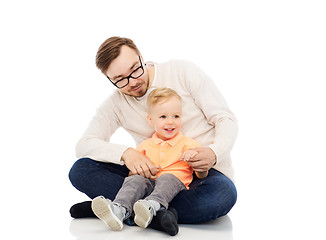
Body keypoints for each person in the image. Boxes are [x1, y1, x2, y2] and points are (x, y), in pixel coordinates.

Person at [69, 36, 238, 235]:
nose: (133, 82)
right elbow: (85, 144)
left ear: (141, 57)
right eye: (120, 79)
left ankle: (122, 208)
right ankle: (155, 213)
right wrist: (127, 154)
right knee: (81, 170)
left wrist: (213, 153)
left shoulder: (182, 71)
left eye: (135, 69)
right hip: (151, 176)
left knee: (222, 195)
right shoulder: (115, 104)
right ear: (109, 79)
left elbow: (225, 118)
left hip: (200, 175)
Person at [91, 88, 208, 235]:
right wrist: (137, 172)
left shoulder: (189, 144)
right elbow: (132, 172)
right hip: (148, 186)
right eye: (163, 117)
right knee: (134, 180)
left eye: (176, 116)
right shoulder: (145, 146)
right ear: (151, 120)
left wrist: (197, 162)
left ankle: (152, 206)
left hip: (174, 189)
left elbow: (202, 175)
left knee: (167, 178)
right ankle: (119, 209)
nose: (170, 122)